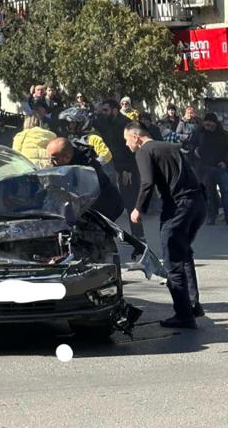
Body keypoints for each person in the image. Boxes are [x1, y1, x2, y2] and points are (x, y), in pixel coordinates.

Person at [124, 121, 206, 328]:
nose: (126, 144)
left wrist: (138, 208)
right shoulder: (171, 147)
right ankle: (193, 305)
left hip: (177, 208)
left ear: (135, 137)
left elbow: (147, 182)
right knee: (184, 255)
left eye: (126, 140)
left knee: (173, 261)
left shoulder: (144, 151)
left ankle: (184, 316)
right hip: (197, 204)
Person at [95, 100, 145, 242]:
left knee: (131, 202)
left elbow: (134, 149)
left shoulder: (126, 124)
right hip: (112, 166)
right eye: (102, 110)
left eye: (106, 110)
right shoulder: (105, 122)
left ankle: (139, 237)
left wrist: (128, 169)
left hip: (127, 169)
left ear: (115, 110)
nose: (103, 113)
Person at [46, 137, 123, 221]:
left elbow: (83, 195)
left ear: (67, 157)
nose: (50, 162)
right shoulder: (66, 157)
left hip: (105, 207)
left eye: (54, 159)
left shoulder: (87, 167)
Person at [190, 113, 228, 225]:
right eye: (206, 122)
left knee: (225, 192)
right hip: (205, 167)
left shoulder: (223, 135)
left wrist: (225, 162)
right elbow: (190, 145)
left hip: (220, 168)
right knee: (209, 193)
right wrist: (194, 150)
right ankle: (211, 216)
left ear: (215, 123)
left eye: (211, 122)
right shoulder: (199, 133)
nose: (208, 124)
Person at [12, 100, 56, 168]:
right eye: (35, 109)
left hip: (21, 167)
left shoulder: (49, 123)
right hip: (39, 168)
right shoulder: (30, 120)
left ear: (44, 110)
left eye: (38, 109)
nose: (35, 111)